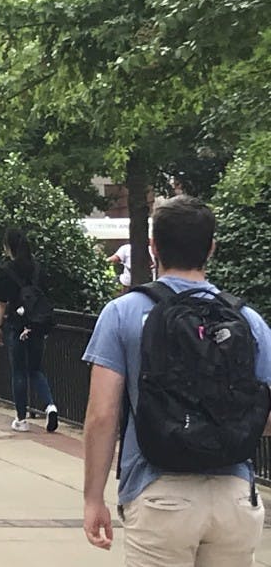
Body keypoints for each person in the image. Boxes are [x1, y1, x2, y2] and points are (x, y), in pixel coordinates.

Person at [82, 196, 271, 564]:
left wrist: (93, 498)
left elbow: (101, 415)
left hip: (158, 493)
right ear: (211, 248)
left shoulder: (122, 313)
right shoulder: (248, 320)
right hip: (234, 493)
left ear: (153, 247)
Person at [0, 228, 58, 433]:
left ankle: (21, 418)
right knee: (36, 369)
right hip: (37, 325)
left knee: (19, 371)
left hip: (16, 324)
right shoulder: (38, 268)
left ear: (8, 247)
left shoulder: (6, 270)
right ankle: (50, 405)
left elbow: (2, 303)